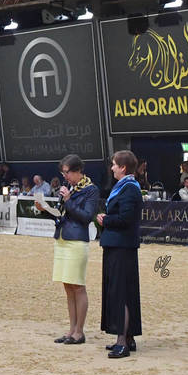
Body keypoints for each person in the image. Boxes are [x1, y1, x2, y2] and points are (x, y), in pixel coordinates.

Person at [38, 154, 98, 346]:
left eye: (67, 172)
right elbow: (61, 216)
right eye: (63, 172)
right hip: (63, 239)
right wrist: (45, 210)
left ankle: (79, 331)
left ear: (78, 171)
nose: (65, 177)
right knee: (68, 286)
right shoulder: (69, 188)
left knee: (78, 286)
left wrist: (70, 200)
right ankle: (71, 329)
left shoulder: (91, 190)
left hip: (77, 242)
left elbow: (86, 217)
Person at [97, 150, 143, 359]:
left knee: (122, 292)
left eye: (115, 165)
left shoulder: (130, 189)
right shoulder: (124, 187)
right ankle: (129, 337)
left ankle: (122, 341)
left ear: (123, 168)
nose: (112, 168)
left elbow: (126, 219)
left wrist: (106, 220)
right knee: (121, 290)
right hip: (117, 245)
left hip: (122, 247)